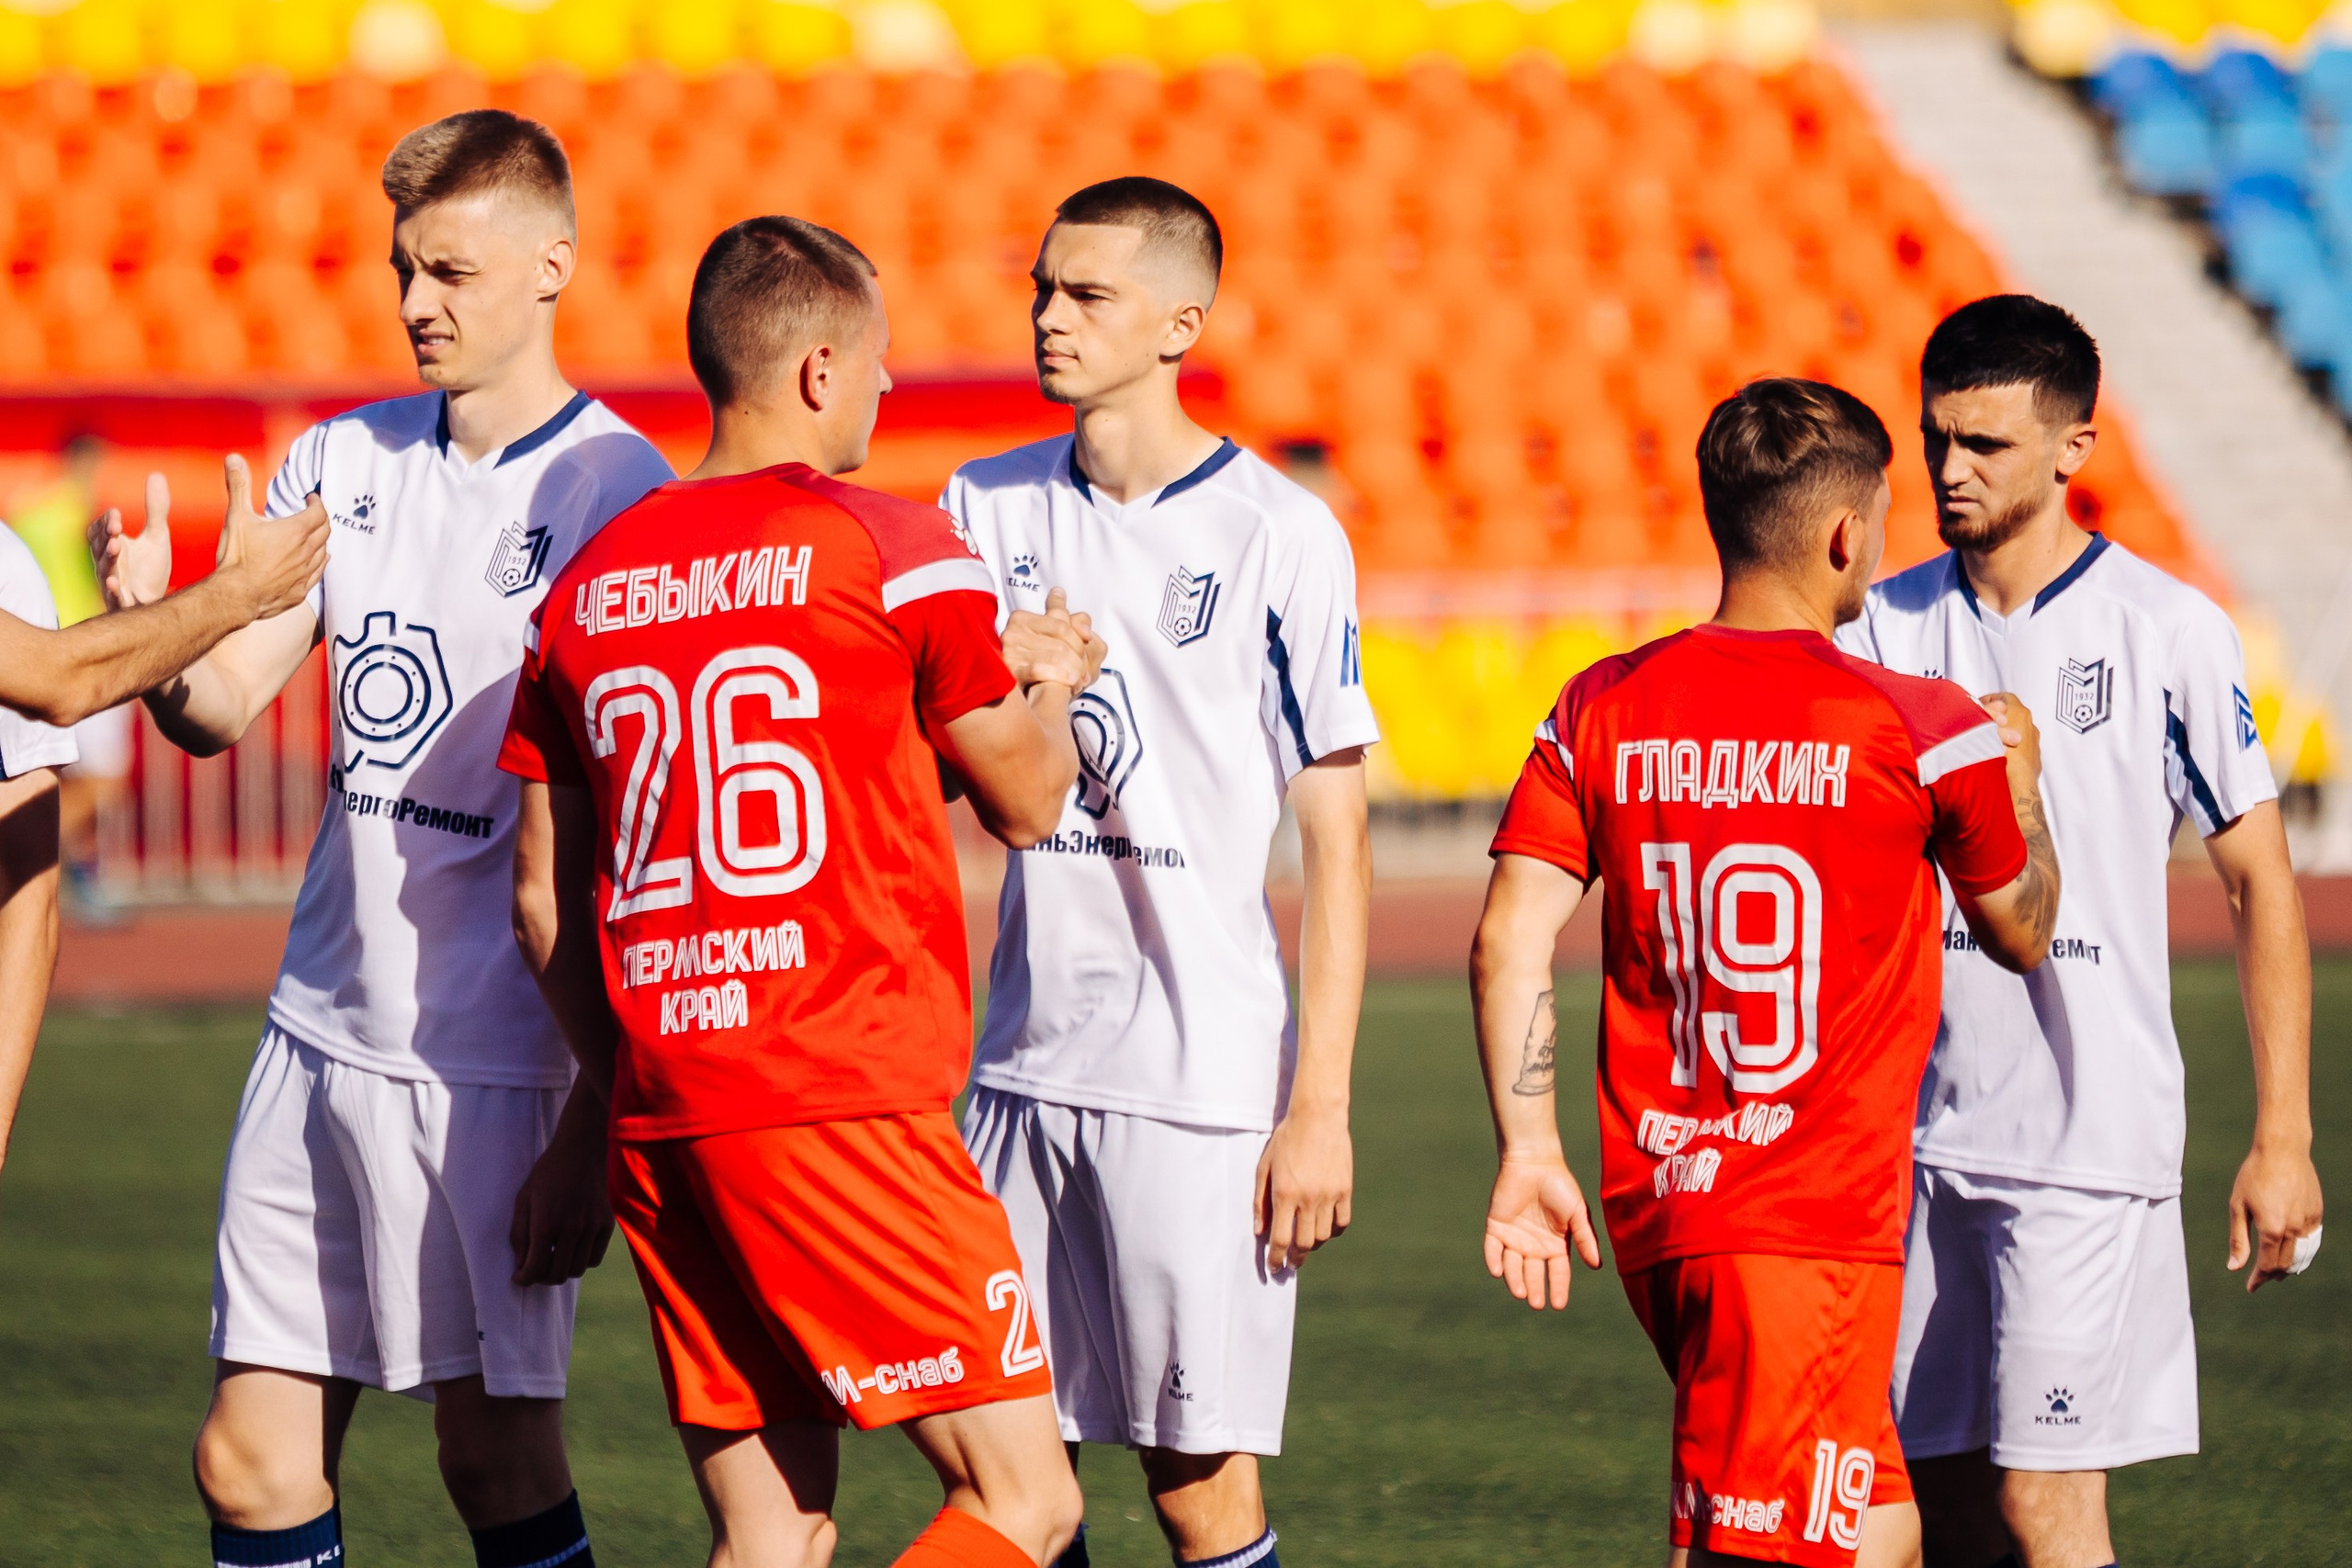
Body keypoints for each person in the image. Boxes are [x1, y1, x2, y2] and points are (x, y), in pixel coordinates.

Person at [95, 110, 673, 1568]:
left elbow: (633, 843)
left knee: (494, 1458)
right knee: (247, 1460)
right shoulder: (340, 457)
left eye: (451, 271)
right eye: (404, 268)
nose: (417, 301)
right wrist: (161, 630)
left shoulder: (622, 495)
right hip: (316, 1027)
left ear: (553, 266)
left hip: (495, 1064)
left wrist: (592, 1117)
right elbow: (222, 706)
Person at [501, 214, 1094, 1568]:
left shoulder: (585, 588)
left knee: (775, 1531)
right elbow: (1030, 799)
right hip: (839, 1089)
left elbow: (542, 899)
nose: (888, 383)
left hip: (667, 1107)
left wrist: (620, 1082)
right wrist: (1051, 680)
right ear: (820, 368)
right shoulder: (893, 542)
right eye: (877, 357)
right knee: (1025, 1499)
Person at [1471, 378, 2063, 1568]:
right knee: (1756, 1548)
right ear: (1848, 532)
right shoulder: (1918, 722)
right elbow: (2021, 927)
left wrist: (1530, 1150)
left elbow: (1508, 936)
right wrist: (2026, 786)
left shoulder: (1597, 705)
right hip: (1804, 1221)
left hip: (1667, 1203)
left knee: (1879, 1527)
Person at [1834, 295, 2326, 1568]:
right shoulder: (1879, 627)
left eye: (1985, 444)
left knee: (2045, 1508)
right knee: (1932, 1506)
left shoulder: (2166, 630)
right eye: (1936, 438)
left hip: (2086, 1144)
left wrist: (2282, 1135)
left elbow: (2259, 881)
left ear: (2072, 448)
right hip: (1911, 1147)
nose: (1950, 469)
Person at [944, 176, 1379, 1568]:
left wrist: (1318, 1109)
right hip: (1019, 1070)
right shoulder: (981, 502)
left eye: (1088, 294)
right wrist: (1016, 692)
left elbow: (1336, 837)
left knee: (1200, 1493)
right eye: (1043, 287)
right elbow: (949, 772)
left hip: (1196, 1090)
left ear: (1182, 323)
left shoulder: (1277, 531)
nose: (1049, 316)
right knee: (1010, 1476)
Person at [7, 435, 135, 914]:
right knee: (105, 781)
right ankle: (27, 852)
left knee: (57, 778)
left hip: (32, 657)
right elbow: (107, 581)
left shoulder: (28, 513)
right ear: (87, 462)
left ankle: (83, 877)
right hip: (86, 656)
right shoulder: (85, 513)